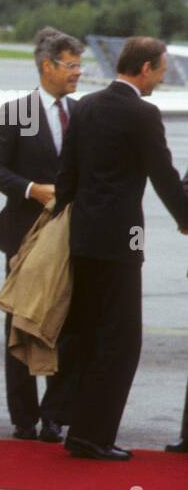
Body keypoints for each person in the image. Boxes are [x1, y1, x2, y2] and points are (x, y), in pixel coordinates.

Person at [53, 37, 188, 461]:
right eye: (160, 73)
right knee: (121, 342)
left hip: (83, 239)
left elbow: (66, 174)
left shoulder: (85, 106)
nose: (160, 82)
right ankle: (94, 436)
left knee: (86, 335)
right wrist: (186, 218)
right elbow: (162, 174)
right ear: (144, 68)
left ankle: (76, 428)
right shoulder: (142, 113)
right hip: (119, 243)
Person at [0, 28, 84, 442]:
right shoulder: (17, 111)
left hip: (70, 239)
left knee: (68, 325)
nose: (78, 73)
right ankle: (23, 417)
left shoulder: (82, 114)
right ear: (48, 66)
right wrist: (30, 189)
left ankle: (55, 413)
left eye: (79, 65)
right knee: (21, 324)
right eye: (72, 65)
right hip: (24, 236)